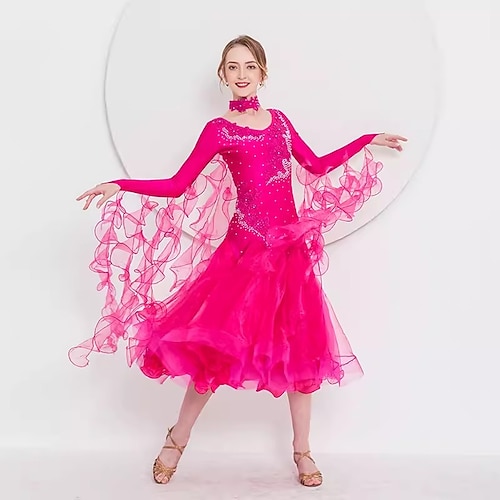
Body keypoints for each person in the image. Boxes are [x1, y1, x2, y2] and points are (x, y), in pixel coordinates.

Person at [72, 35, 406, 488]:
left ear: (263, 73)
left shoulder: (280, 122)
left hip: (287, 255)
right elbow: (177, 185)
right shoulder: (219, 129)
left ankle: (302, 451)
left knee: (301, 353)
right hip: (243, 254)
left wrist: (365, 139)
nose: (242, 74)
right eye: (233, 67)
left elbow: (314, 165)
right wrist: (121, 185)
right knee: (213, 350)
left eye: (250, 66)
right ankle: (176, 439)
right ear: (223, 75)